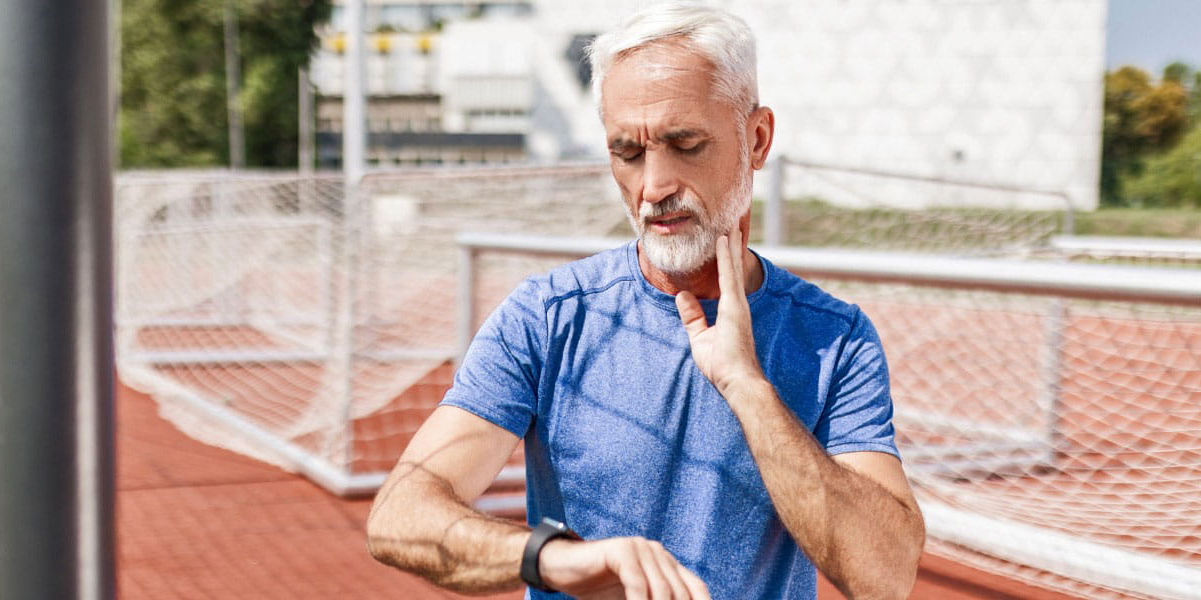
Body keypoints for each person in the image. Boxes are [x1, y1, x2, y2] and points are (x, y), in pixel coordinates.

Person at [367, 3, 924, 598]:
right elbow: (401, 516)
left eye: (685, 145)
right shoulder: (549, 317)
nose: (653, 187)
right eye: (627, 153)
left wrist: (749, 391)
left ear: (756, 139)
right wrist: (553, 559)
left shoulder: (834, 338)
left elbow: (885, 577)